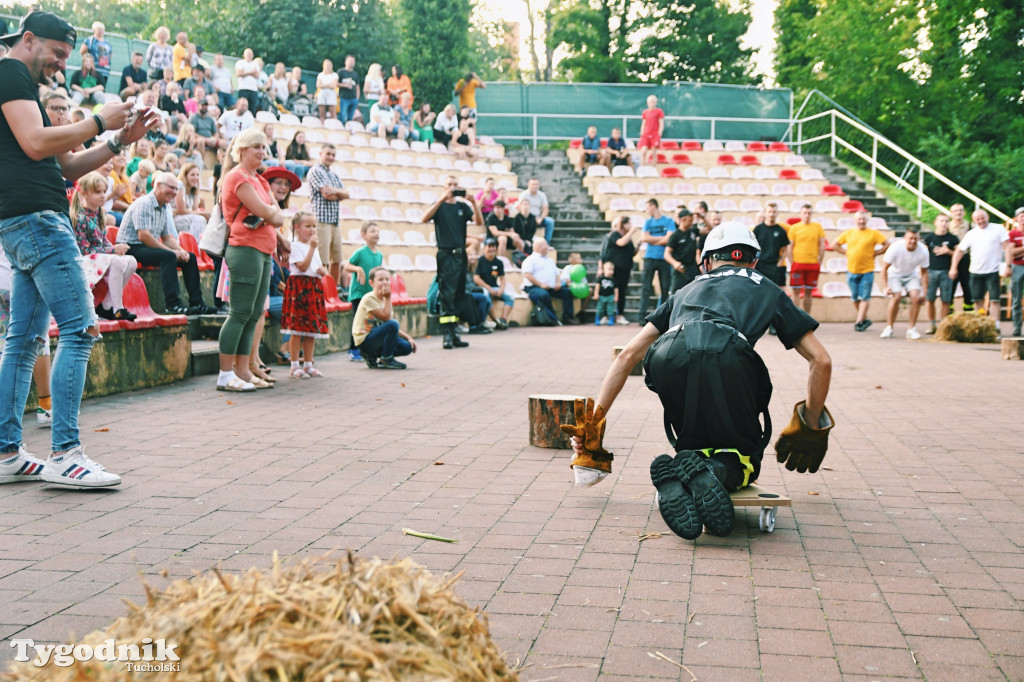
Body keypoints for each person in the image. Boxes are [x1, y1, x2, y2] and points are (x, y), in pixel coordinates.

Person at [564, 222, 833, 543]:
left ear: (705, 262)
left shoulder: (686, 289)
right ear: (754, 261)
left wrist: (593, 427)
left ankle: (688, 464)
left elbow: (626, 357)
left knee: (694, 443)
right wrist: (812, 421)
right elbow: (822, 361)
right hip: (729, 350)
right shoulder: (767, 286)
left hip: (669, 354)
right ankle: (716, 471)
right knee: (745, 456)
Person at [0, 11, 157, 488]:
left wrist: (116, 139)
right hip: (39, 222)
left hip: (27, 220)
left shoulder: (23, 85)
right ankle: (66, 453)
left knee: (25, 341)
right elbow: (33, 143)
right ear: (28, 40)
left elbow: (66, 167)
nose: (61, 64)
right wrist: (95, 120)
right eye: (57, 53)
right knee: (81, 329)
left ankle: (7, 453)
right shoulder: (9, 72)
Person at [216, 130, 285, 391]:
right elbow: (268, 212)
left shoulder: (260, 181)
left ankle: (243, 371)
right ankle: (225, 374)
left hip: (263, 250)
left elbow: (274, 213)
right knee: (240, 312)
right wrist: (270, 213)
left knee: (255, 312)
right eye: (256, 146)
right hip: (245, 248)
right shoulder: (237, 177)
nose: (261, 151)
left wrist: (271, 214)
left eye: (263, 147)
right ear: (242, 149)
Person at [118, 172, 211, 315]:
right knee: (169, 257)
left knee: (190, 258)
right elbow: (144, 236)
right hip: (131, 247)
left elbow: (167, 237)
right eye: (171, 188)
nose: (174, 192)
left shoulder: (164, 207)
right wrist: (173, 252)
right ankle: (173, 305)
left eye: (176, 189)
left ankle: (197, 303)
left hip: (146, 246)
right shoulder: (145, 203)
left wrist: (181, 251)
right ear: (159, 186)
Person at [422, 176, 483, 349]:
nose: (452, 188)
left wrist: (474, 203)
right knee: (447, 295)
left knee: (458, 294)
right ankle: (447, 334)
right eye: (449, 185)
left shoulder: (462, 207)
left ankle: (454, 332)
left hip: (460, 254)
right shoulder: (439, 206)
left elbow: (479, 222)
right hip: (446, 254)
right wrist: (441, 198)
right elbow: (424, 218)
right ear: (443, 186)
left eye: (455, 185)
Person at [69, 171, 139, 322]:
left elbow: (104, 242)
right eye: (97, 192)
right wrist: (112, 250)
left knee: (131, 261)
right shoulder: (79, 218)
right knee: (115, 261)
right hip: (83, 261)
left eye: (104, 192)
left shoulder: (100, 213)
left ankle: (106, 306)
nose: (102, 195)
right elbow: (83, 250)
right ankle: (118, 308)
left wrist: (113, 249)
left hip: (98, 258)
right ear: (85, 193)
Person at [281, 211, 329, 378]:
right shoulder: (295, 246)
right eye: (308, 226)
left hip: (313, 287)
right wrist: (312, 248)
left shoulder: (312, 247)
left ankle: (308, 364)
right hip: (300, 287)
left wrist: (323, 271)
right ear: (297, 228)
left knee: (311, 330)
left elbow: (315, 266)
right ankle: (295, 365)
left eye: (314, 226)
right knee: (297, 330)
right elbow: (302, 266)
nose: (312, 229)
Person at [949, 209, 1010, 336]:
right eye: (978, 219)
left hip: (993, 270)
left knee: (994, 300)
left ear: (987, 216)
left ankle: (995, 326)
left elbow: (1007, 247)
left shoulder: (998, 228)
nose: (981, 221)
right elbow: (960, 251)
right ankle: (982, 326)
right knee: (978, 300)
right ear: (974, 221)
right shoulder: (971, 234)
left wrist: (1008, 265)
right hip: (975, 271)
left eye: (983, 218)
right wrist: (953, 267)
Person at [834, 211, 889, 332]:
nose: (861, 221)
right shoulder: (849, 233)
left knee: (865, 297)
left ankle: (858, 322)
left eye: (863, 219)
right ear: (855, 220)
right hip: (852, 269)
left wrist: (876, 253)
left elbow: (887, 244)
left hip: (867, 270)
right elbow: (835, 244)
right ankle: (864, 319)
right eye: (859, 219)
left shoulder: (873, 233)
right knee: (854, 297)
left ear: (867, 220)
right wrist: (846, 253)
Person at [354, 267, 416, 369]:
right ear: (371, 283)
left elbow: (390, 325)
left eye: (387, 279)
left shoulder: (384, 300)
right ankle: (386, 359)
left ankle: (372, 355)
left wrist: (408, 338)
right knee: (393, 323)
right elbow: (388, 320)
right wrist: (388, 297)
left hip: (377, 337)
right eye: (380, 279)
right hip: (365, 340)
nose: (385, 282)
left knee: (407, 347)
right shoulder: (369, 298)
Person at [307, 144, 349, 283]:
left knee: (337, 259)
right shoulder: (315, 171)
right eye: (328, 154)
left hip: (334, 221)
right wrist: (338, 193)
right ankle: (323, 290)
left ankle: (334, 290)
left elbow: (346, 194)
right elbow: (326, 193)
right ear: (320, 154)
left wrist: (335, 191)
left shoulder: (333, 174)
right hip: (321, 220)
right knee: (322, 259)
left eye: (333, 155)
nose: (330, 157)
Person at [879, 226, 929, 339]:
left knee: (916, 297)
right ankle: (889, 327)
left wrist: (924, 292)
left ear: (919, 239)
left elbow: (924, 272)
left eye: (915, 239)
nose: (913, 241)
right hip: (894, 274)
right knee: (896, 297)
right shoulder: (895, 247)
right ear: (905, 238)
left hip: (912, 275)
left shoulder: (923, 250)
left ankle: (911, 329)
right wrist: (886, 287)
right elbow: (884, 269)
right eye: (910, 238)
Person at [343, 221, 383, 362]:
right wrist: (358, 269)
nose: (376, 234)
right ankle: (353, 349)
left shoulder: (379, 255)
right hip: (359, 293)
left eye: (377, 231)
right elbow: (347, 265)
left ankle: (367, 349)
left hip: (371, 295)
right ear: (363, 235)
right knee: (357, 321)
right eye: (372, 231)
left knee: (370, 322)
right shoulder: (360, 252)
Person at [522, 238, 577, 326]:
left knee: (567, 292)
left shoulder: (549, 260)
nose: (547, 247)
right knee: (544, 295)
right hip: (534, 287)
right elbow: (527, 275)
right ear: (539, 247)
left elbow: (557, 272)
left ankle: (568, 317)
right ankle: (551, 318)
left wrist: (558, 283)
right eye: (545, 245)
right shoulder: (530, 260)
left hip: (551, 287)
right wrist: (541, 284)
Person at [922, 214, 960, 335]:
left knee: (946, 299)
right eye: (941, 221)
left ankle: (943, 325)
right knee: (930, 299)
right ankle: (932, 324)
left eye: (946, 221)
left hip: (946, 272)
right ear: (935, 223)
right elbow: (922, 254)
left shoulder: (953, 238)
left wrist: (948, 251)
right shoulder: (929, 238)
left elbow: (960, 254)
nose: (944, 223)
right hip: (931, 272)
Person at [638, 198, 674, 322]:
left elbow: (669, 239)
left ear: (653, 206)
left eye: (647, 207)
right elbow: (643, 237)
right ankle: (641, 316)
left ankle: (663, 318)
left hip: (663, 258)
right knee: (646, 287)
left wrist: (651, 239)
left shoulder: (668, 221)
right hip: (649, 257)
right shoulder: (648, 222)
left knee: (665, 288)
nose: (646, 211)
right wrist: (661, 239)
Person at [786, 203, 825, 314]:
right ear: (801, 214)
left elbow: (822, 244)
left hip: (812, 263)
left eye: (809, 213)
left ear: (811, 214)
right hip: (798, 263)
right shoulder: (794, 228)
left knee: (809, 292)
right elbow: (789, 246)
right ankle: (795, 317)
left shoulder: (817, 227)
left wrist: (820, 261)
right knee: (796, 292)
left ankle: (807, 317)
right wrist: (792, 262)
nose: (807, 215)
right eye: (805, 213)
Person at [599, 215, 637, 325]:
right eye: (628, 224)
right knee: (608, 291)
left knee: (621, 292)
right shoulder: (615, 234)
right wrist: (631, 232)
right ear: (623, 225)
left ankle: (620, 315)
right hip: (613, 269)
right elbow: (621, 242)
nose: (630, 226)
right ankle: (606, 315)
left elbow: (632, 253)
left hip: (625, 269)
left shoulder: (628, 238)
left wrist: (638, 245)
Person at [475, 238, 513, 329]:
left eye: (493, 246)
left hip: (495, 287)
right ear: (484, 247)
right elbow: (476, 278)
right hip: (483, 287)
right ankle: (495, 320)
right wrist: (489, 288)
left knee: (510, 297)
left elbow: (503, 279)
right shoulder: (480, 260)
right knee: (486, 296)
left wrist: (501, 289)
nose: (491, 249)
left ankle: (503, 319)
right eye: (489, 246)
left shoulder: (498, 262)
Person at [752, 202, 790, 294]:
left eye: (774, 212)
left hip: (774, 266)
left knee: (773, 293)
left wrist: (780, 263)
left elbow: (786, 248)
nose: (772, 214)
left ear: (777, 213)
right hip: (759, 265)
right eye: (769, 212)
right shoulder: (758, 229)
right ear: (766, 213)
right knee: (758, 292)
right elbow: (752, 246)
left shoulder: (781, 230)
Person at [664, 207, 699, 295]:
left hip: (693, 269)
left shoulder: (693, 231)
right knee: (676, 297)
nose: (692, 223)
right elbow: (667, 253)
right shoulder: (675, 235)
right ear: (683, 220)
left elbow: (709, 229)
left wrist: (703, 217)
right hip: (680, 270)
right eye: (690, 221)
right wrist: (675, 263)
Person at [948, 203, 974, 311]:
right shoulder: (948, 226)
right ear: (951, 213)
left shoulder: (969, 226)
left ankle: (968, 310)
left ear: (964, 212)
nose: (958, 213)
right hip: (950, 258)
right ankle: (949, 311)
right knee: (950, 286)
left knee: (967, 285)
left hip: (966, 259)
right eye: (955, 211)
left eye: (960, 210)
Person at [173, 162, 209, 237]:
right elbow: (181, 210)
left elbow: (194, 209)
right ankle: (198, 244)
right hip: (174, 217)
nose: (195, 178)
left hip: (184, 217)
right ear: (185, 176)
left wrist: (197, 190)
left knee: (201, 219)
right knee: (198, 219)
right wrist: (202, 213)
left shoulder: (193, 188)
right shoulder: (180, 185)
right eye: (192, 175)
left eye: (197, 175)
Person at [520, 178, 554, 243]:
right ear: (529, 185)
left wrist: (541, 218)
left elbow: (545, 209)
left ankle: (546, 243)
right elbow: (520, 208)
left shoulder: (542, 195)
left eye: (536, 184)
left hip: (538, 217)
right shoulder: (524, 194)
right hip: (527, 217)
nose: (535, 186)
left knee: (550, 221)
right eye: (533, 184)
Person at [1008, 208, 1024, 338]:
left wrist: (1020, 250)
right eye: (1021, 215)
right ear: (1016, 219)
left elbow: (1016, 251)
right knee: (1016, 299)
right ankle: (1017, 328)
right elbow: (1012, 252)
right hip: (1017, 267)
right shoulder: (1013, 233)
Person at [637, 94, 665, 166]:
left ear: (656, 102)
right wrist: (642, 134)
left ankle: (653, 168)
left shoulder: (659, 111)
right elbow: (643, 124)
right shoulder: (645, 112)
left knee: (654, 152)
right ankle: (642, 167)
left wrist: (659, 134)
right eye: (650, 102)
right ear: (647, 103)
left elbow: (661, 123)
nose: (652, 104)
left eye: (653, 102)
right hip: (646, 134)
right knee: (643, 151)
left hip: (655, 134)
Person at [234, 48, 261, 113]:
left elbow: (257, 75)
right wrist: (252, 72)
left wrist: (245, 72)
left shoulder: (256, 64)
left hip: (253, 90)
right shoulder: (240, 63)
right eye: (247, 54)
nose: (249, 55)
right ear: (244, 55)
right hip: (243, 88)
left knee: (252, 108)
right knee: (242, 106)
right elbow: (239, 74)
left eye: (250, 54)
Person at [593, 261, 618, 325]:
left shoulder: (614, 279)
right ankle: (597, 319)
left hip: (610, 296)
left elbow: (616, 289)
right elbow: (597, 287)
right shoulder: (601, 278)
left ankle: (611, 320)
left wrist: (616, 296)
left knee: (610, 309)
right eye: (609, 269)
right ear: (604, 270)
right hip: (601, 296)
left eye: (612, 270)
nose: (611, 271)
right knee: (600, 308)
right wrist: (596, 294)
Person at [337, 55, 360, 123]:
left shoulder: (355, 74)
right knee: (343, 115)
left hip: (353, 98)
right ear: (345, 62)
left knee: (350, 117)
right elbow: (335, 83)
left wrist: (357, 99)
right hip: (344, 98)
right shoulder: (341, 72)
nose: (351, 63)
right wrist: (344, 85)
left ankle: (348, 128)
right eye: (349, 61)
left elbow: (357, 87)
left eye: (352, 61)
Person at [315, 59, 338, 124]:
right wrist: (328, 84)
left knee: (333, 112)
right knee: (322, 113)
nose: (328, 67)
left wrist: (323, 85)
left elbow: (334, 85)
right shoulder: (320, 75)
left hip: (331, 94)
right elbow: (318, 85)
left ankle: (334, 125)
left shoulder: (335, 75)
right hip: (322, 95)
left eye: (329, 65)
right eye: (326, 65)